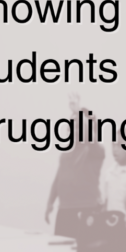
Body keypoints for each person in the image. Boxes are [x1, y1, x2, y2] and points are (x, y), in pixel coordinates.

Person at [45, 93, 106, 238]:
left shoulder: (95, 152)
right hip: (65, 211)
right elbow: (57, 180)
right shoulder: (65, 154)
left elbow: (90, 136)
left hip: (86, 210)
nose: (74, 129)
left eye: (78, 125)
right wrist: (49, 203)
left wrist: (79, 112)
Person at [100, 126, 126, 213]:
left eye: (120, 145)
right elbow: (106, 201)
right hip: (110, 223)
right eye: (113, 144)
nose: (115, 149)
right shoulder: (109, 172)